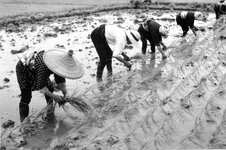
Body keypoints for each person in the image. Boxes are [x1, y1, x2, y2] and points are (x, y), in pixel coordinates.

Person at [16, 49, 84, 122]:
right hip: (23, 69)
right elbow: (42, 88)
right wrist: (55, 97)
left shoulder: (59, 65)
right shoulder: (43, 66)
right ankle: (24, 121)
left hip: (37, 68)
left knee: (50, 88)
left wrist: (65, 93)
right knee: (26, 96)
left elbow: (60, 81)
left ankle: (50, 114)